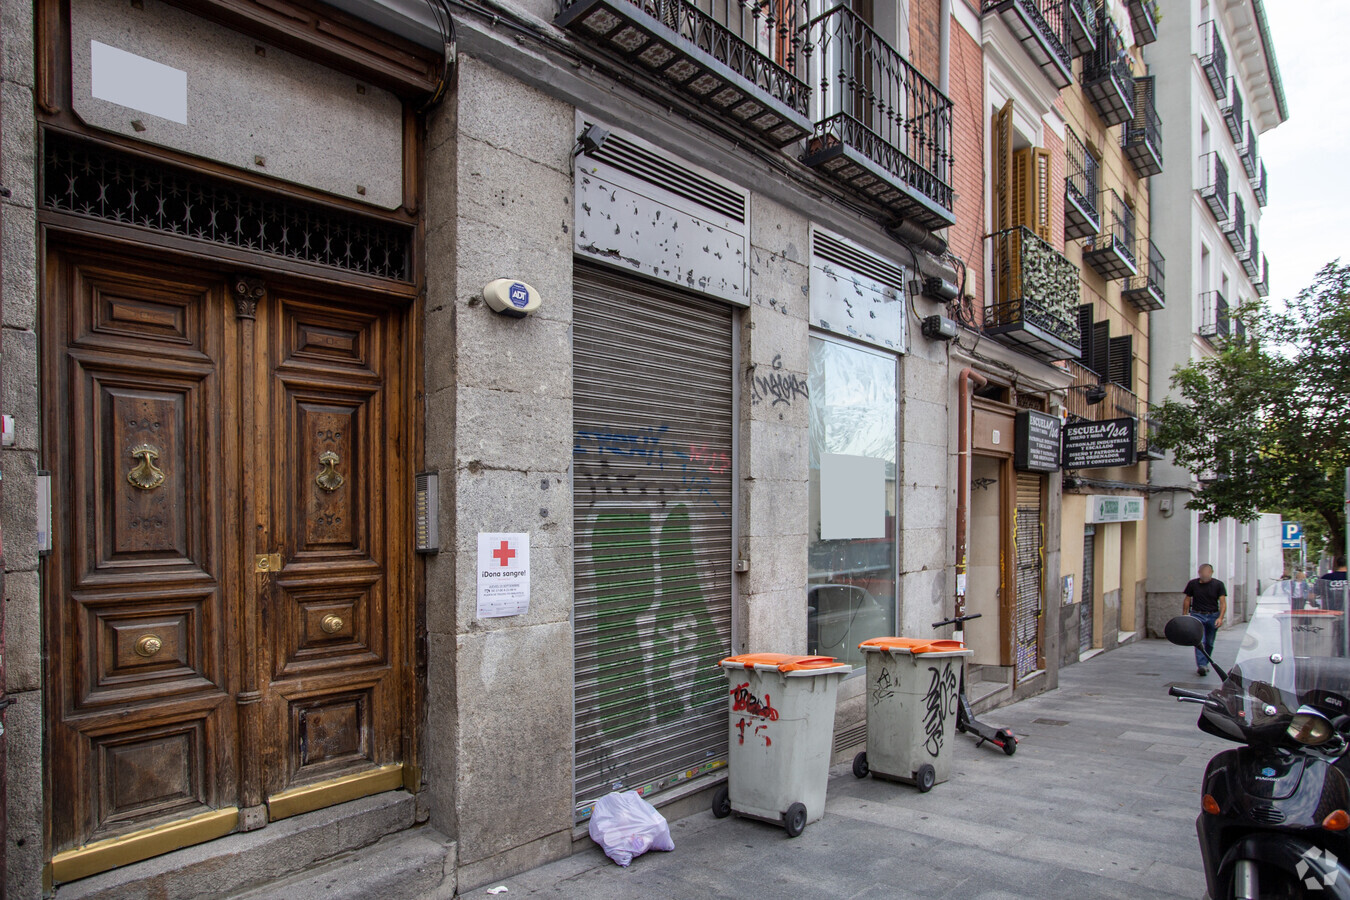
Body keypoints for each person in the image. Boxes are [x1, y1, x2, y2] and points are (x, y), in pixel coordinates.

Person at [1182, 563, 1227, 676]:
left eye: (1208, 572)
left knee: (1210, 642)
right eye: (1203, 572)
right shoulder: (1193, 584)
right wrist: (1184, 615)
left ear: (1211, 573)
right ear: (1199, 573)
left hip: (1212, 615)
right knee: (1200, 641)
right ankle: (1201, 665)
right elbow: (1187, 599)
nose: (1205, 574)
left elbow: (1222, 603)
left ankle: (1205, 662)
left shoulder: (1218, 585)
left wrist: (1220, 618)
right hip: (1197, 614)